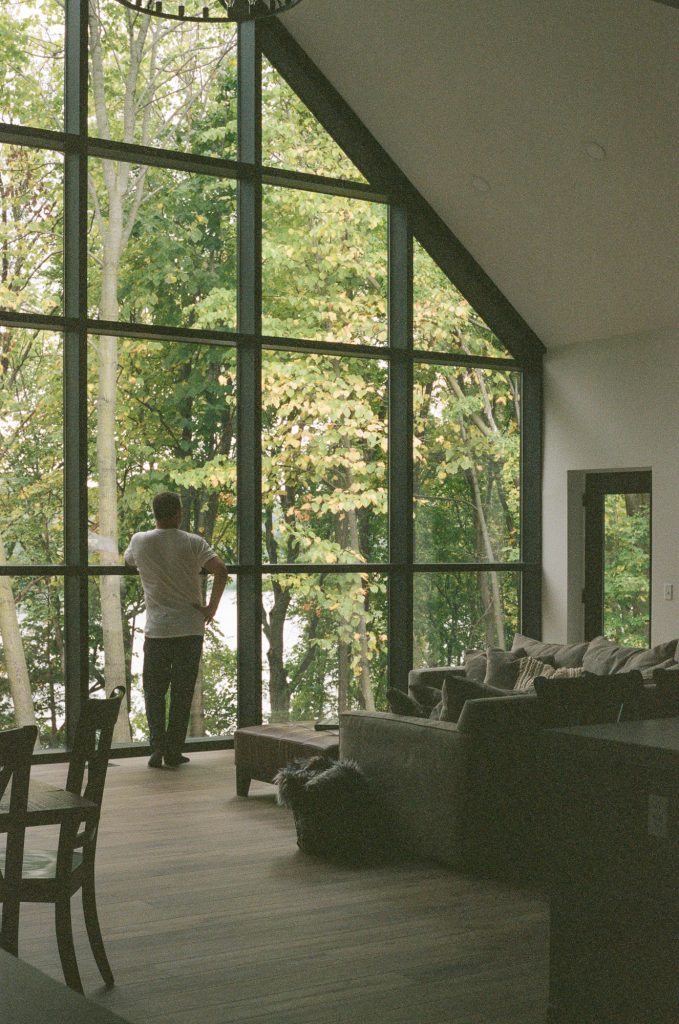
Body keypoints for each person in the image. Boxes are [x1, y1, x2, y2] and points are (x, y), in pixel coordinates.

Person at [124, 491, 228, 769]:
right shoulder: (194, 542)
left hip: (157, 630)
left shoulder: (140, 540)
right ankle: (174, 750)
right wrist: (211, 609)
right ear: (179, 513)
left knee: (154, 691)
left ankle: (157, 747)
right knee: (182, 693)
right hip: (190, 628)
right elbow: (221, 570)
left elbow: (128, 561)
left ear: (155, 513)